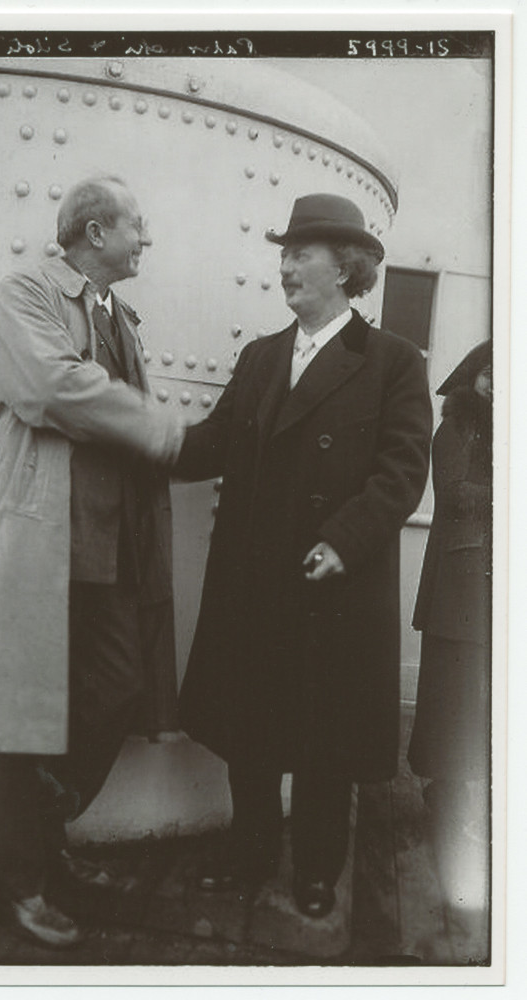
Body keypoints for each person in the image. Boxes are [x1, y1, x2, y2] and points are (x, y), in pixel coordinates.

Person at [174, 193, 433, 919]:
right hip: (255, 580)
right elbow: (215, 440)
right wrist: (142, 439)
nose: (284, 265)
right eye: (283, 253)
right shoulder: (261, 356)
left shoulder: (393, 361)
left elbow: (403, 471)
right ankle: (250, 852)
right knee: (248, 732)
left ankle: (319, 867)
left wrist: (342, 541)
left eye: (300, 253)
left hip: (332, 581)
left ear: (344, 266)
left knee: (326, 740)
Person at [0, 176, 184, 948]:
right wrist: (161, 425)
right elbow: (48, 385)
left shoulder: (119, 315)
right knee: (26, 719)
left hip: (108, 543)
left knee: (118, 685)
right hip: (43, 537)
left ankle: (39, 835)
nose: (146, 239)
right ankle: (16, 883)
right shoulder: (26, 292)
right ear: (92, 231)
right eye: (136, 226)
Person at [408, 342, 491, 836]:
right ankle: (443, 792)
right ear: (471, 378)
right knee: (451, 694)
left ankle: (463, 794)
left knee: (477, 698)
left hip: (487, 583)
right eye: (489, 375)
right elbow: (456, 494)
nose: (498, 386)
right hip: (458, 585)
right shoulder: (456, 427)